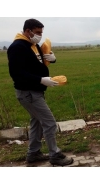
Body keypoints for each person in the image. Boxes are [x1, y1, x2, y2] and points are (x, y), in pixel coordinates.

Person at [7, 18, 73, 166]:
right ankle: (55, 155)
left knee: (36, 122)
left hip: (35, 92)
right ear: (27, 31)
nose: (39, 36)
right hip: (28, 93)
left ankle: (34, 153)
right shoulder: (18, 47)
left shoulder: (33, 44)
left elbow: (36, 62)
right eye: (37, 32)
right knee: (49, 123)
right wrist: (41, 80)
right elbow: (16, 73)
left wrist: (51, 59)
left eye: (41, 33)